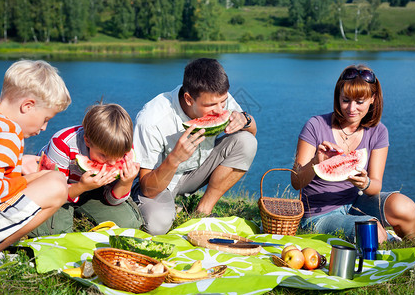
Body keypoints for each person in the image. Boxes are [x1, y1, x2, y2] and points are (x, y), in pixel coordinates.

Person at [291, 64, 415, 243]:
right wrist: (316, 162)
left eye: (360, 102)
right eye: (346, 100)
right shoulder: (315, 125)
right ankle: (384, 241)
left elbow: (375, 186)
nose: (351, 108)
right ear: (338, 97)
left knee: (407, 209)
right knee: (373, 232)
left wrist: (365, 183)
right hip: (318, 214)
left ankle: (412, 251)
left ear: (372, 99)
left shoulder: (378, 131)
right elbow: (296, 182)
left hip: (357, 202)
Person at [132, 58, 257, 235]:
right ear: (189, 99)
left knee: (247, 142)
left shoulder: (219, 99)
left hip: (197, 171)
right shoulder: (152, 119)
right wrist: (174, 158)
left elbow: (252, 132)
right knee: (156, 225)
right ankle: (168, 207)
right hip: (160, 181)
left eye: (223, 101)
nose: (221, 110)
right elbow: (147, 188)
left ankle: (202, 211)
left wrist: (245, 119)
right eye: (211, 106)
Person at [0, 60, 71, 271]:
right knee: (57, 184)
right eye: (46, 118)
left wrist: (19, 165)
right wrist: (28, 179)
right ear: (27, 106)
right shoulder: (8, 133)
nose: (44, 128)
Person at [28, 103, 143, 237]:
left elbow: (112, 200)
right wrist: (82, 187)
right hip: (54, 188)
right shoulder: (62, 143)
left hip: (93, 190)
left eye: (117, 157)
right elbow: (52, 193)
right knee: (56, 231)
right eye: (103, 155)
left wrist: (126, 182)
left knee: (129, 223)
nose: (112, 163)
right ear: (87, 141)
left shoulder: (122, 147)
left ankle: (79, 210)